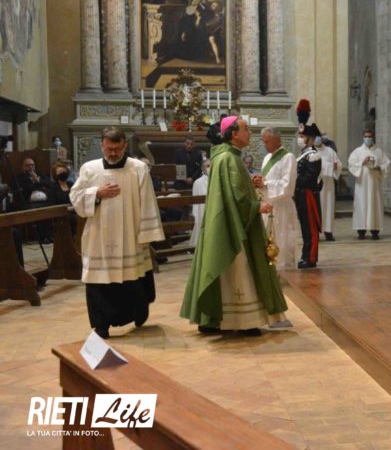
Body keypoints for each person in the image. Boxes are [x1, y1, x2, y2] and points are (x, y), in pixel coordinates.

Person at [180, 116, 288, 334]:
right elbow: (237, 198)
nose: (250, 132)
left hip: (222, 223)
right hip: (233, 226)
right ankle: (243, 321)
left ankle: (212, 320)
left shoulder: (224, 156)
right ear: (234, 134)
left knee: (222, 270)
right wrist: (257, 206)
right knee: (239, 269)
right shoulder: (230, 159)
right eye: (245, 129)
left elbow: (233, 192)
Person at [69, 127, 165, 339]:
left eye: (117, 149)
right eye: (108, 149)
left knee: (132, 278)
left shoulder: (138, 168)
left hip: (130, 235)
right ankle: (101, 325)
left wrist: (147, 234)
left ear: (125, 146)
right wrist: (96, 193)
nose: (112, 153)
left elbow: (148, 202)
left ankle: (138, 312)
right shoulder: (89, 169)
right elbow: (75, 197)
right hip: (99, 236)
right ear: (102, 145)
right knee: (98, 280)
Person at [254, 126, 298, 270]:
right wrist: (258, 182)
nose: (265, 145)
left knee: (282, 238)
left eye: (267, 142)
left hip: (282, 205)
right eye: (263, 142)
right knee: (268, 238)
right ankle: (269, 268)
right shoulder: (267, 158)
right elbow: (266, 179)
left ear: (277, 140)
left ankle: (284, 269)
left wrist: (265, 184)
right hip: (268, 204)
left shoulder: (288, 157)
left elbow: (288, 185)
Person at [348, 129, 391, 239]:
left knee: (374, 204)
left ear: (373, 137)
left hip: (374, 185)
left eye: (370, 136)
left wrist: (379, 167)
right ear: (363, 137)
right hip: (362, 184)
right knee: (361, 205)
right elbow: (351, 165)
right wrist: (361, 163)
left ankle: (375, 231)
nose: (368, 138)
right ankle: (361, 231)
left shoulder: (379, 151)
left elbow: (387, 164)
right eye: (366, 136)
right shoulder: (357, 151)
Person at [293, 124, 322, 268]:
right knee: (304, 226)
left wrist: (293, 179)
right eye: (299, 136)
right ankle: (305, 255)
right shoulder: (303, 155)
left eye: (302, 136)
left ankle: (310, 257)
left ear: (310, 139)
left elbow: (310, 179)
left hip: (308, 194)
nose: (300, 139)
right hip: (300, 194)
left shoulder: (313, 155)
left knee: (310, 227)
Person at [314, 132, 342, 241]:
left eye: (319, 137)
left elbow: (339, 164)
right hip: (315, 184)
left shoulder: (330, 151)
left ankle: (328, 231)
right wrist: (329, 166)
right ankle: (315, 232)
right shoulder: (311, 151)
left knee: (329, 207)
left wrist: (336, 166)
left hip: (328, 184)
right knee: (316, 207)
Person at [48, 161, 77, 234]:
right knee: (74, 219)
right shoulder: (53, 187)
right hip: (61, 214)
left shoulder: (71, 184)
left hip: (75, 210)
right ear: (56, 174)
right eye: (60, 171)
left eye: (64, 171)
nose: (63, 173)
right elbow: (52, 204)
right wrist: (68, 208)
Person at [190, 158, 210, 247]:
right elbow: (195, 201)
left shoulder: (217, 180)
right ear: (203, 168)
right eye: (207, 166)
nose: (210, 168)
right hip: (202, 210)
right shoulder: (198, 182)